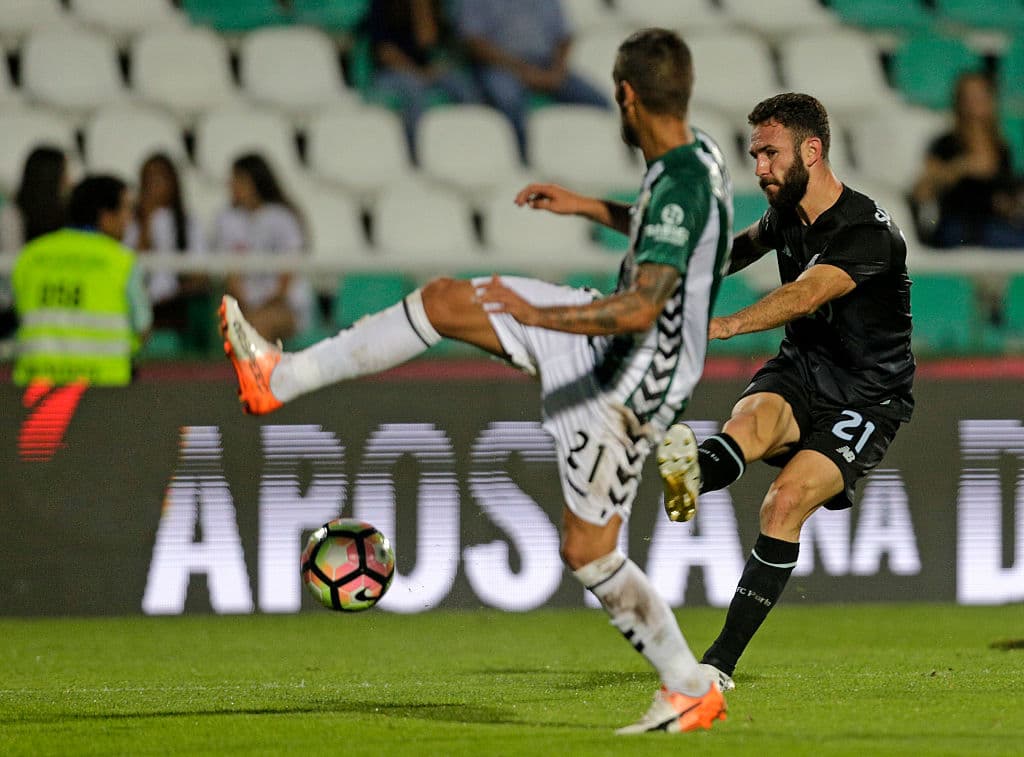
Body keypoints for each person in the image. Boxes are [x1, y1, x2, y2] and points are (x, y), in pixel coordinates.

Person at [221, 28, 732, 735]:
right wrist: (586, 207)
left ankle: (686, 685)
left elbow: (641, 305)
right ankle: (279, 376)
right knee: (446, 301)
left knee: (588, 550)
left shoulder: (678, 182)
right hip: (612, 353)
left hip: (624, 386)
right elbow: (669, 235)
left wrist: (539, 313)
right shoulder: (696, 157)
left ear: (625, 95)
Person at [658, 92, 915, 692]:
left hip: (867, 398)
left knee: (783, 502)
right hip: (801, 369)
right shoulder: (785, 217)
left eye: (770, 154)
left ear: (812, 149)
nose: (760, 168)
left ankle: (716, 664)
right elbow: (734, 251)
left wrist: (720, 324)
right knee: (742, 432)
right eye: (755, 155)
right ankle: (691, 475)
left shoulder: (867, 232)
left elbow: (803, 295)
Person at [11, 175, 152, 386]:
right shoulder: (122, 261)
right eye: (126, 210)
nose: (129, 219)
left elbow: (19, 314)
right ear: (105, 216)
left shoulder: (30, 256)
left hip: (35, 387)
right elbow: (142, 328)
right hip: (105, 388)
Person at [456, 0, 610, 159]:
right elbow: (473, 42)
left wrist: (556, 72)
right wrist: (523, 70)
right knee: (508, 100)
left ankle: (598, 159)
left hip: (547, 65)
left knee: (600, 102)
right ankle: (524, 161)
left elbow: (565, 37)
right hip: (502, 67)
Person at [912, 71, 1024, 249]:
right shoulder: (946, 144)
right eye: (969, 97)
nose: (975, 103)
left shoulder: (1001, 147)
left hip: (995, 225)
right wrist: (962, 167)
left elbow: (1004, 195)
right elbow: (922, 192)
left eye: (981, 96)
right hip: (958, 225)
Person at [210, 153, 313, 345]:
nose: (232, 185)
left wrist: (263, 307)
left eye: (238, 180)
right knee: (237, 326)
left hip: (284, 306)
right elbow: (230, 275)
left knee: (255, 327)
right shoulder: (226, 220)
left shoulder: (283, 218)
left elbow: (287, 275)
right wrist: (245, 307)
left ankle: (263, 375)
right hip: (243, 306)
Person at [368, 0, 481, 162]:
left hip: (424, 70)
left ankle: (474, 147)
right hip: (392, 71)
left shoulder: (431, 4)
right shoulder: (381, 5)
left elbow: (428, 42)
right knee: (414, 90)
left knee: (463, 85)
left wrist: (420, 6)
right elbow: (385, 52)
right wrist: (416, 72)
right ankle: (419, 156)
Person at [123, 153, 209, 344]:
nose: (154, 186)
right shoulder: (130, 224)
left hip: (177, 302)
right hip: (140, 300)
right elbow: (129, 267)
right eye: (148, 180)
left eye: (160, 178)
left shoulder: (188, 224)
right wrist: (146, 221)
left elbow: (200, 275)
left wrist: (174, 291)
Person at [0, 146, 69, 341]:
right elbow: (14, 268)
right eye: (65, 174)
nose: (69, 181)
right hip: (19, 305)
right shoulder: (13, 215)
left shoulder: (67, 214)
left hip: (57, 298)